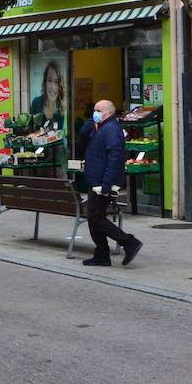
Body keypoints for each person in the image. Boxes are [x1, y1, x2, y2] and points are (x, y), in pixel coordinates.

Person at [77, 98, 144, 267]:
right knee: (94, 218)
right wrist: (87, 127)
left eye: (98, 111)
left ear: (108, 112)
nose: (95, 113)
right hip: (95, 180)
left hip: (102, 183)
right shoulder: (98, 128)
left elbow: (115, 158)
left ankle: (129, 242)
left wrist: (107, 185)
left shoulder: (112, 129)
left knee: (96, 218)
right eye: (94, 110)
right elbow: (82, 144)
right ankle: (102, 254)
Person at [30, 61, 66, 131]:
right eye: (50, 80)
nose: (53, 87)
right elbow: (31, 129)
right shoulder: (36, 102)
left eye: (56, 82)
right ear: (45, 82)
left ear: (60, 86)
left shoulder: (62, 107)